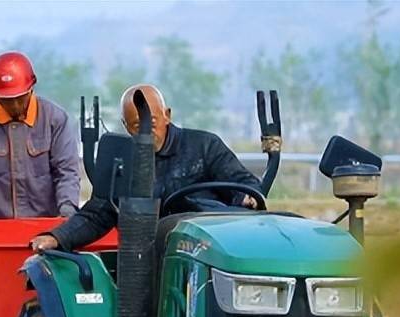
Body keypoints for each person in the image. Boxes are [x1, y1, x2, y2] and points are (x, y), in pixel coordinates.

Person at [29, 84, 262, 252]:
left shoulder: (204, 146)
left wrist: (246, 196)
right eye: (138, 126)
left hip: (203, 251)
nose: (147, 133)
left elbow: (243, 183)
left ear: (167, 115)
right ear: (126, 127)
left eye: (151, 124)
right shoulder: (121, 162)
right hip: (147, 258)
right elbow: (98, 213)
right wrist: (57, 237)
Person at [0, 51, 81, 240]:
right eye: (8, 100)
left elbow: (67, 172)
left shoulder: (56, 120)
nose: (16, 105)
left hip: (45, 232)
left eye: (20, 98)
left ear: (32, 88)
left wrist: (67, 212)